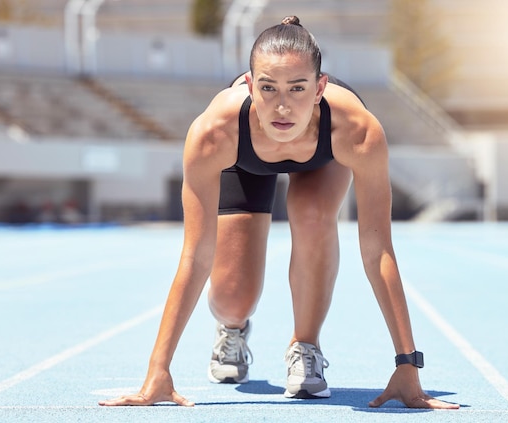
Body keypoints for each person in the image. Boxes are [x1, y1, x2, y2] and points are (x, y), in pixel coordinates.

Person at [99, 16, 459, 409]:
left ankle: (305, 347)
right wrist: (159, 369)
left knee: (312, 214)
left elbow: (378, 250)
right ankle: (232, 329)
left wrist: (408, 364)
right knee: (233, 297)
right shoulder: (215, 133)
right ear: (250, 86)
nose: (283, 105)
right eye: (268, 88)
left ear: (320, 88)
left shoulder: (355, 130)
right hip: (246, 157)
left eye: (298, 88)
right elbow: (196, 253)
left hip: (322, 153)